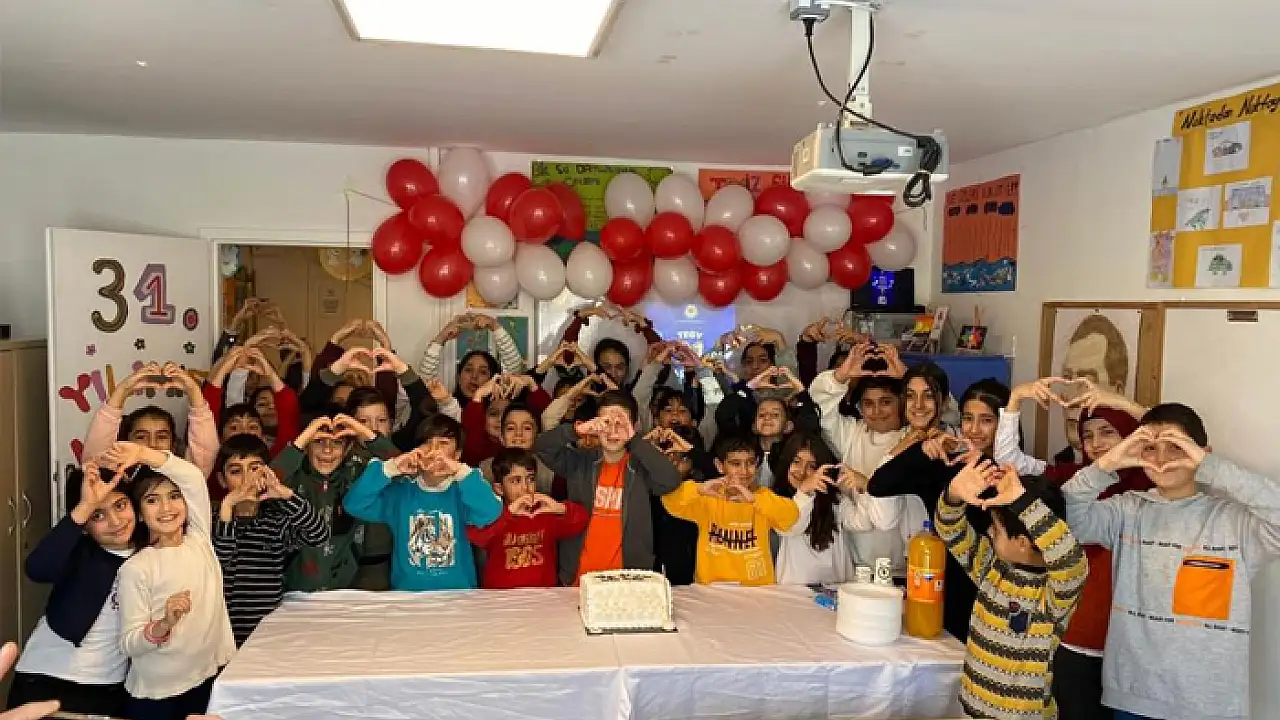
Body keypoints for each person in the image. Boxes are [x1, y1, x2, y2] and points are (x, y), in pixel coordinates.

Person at [1063, 404, 1280, 720]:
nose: (1162, 459)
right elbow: (1067, 518)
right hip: (1134, 694)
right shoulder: (1126, 511)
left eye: (1176, 447)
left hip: (1210, 703)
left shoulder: (1234, 523)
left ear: (1202, 454)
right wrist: (1108, 463)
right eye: (1150, 448)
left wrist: (1211, 467)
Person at [996, 378, 1152, 720]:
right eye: (1088, 435)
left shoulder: (1152, 480)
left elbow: (1174, 442)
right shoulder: (1073, 477)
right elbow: (1010, 463)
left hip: (1135, 642)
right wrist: (1016, 398)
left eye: (1108, 432)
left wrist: (1126, 405)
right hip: (1081, 633)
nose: (1096, 444)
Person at [937, 456, 1087, 720]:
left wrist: (1022, 501)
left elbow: (1070, 559)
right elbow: (951, 530)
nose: (988, 531)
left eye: (996, 529)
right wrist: (953, 495)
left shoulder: (1053, 594)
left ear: (1022, 543)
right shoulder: (992, 568)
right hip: (972, 710)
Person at [863, 370, 1003, 641]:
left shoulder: (1015, 473)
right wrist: (920, 448)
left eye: (986, 420)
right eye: (968, 419)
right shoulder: (945, 463)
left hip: (998, 592)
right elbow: (878, 485)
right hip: (944, 589)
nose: (974, 429)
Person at [111, 442, 235, 720]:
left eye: (175, 496)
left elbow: (192, 477)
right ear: (139, 513)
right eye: (152, 500)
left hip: (207, 679)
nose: (166, 508)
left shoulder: (199, 539)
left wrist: (143, 454)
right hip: (158, 697)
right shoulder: (136, 568)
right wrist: (164, 624)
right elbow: (129, 643)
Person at [6, 464, 135, 715]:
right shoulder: (78, 551)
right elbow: (37, 568)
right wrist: (85, 506)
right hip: (47, 678)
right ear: (85, 525)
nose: (116, 522)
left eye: (120, 505)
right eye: (98, 515)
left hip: (108, 688)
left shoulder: (149, 556)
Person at [534, 390, 682, 585]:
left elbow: (671, 480)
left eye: (620, 424)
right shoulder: (580, 462)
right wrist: (577, 430)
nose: (613, 431)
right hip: (579, 578)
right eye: (606, 423)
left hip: (628, 580)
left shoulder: (641, 467)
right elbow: (542, 448)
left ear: (633, 427)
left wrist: (635, 440)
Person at [344, 415, 503, 591]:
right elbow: (354, 504)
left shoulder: (463, 490)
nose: (434, 450)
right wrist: (391, 468)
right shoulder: (400, 492)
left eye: (443, 443)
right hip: (408, 596)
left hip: (458, 595)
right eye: (427, 442)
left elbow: (490, 512)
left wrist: (461, 471)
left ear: (457, 454)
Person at [212, 434, 328, 646]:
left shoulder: (276, 519)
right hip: (221, 633)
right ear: (222, 479)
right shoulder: (213, 520)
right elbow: (221, 559)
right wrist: (227, 507)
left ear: (267, 473)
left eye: (255, 469)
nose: (247, 479)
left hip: (266, 632)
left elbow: (319, 534)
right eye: (236, 471)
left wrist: (287, 496)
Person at [808, 343, 909, 569]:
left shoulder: (914, 437)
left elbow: (941, 410)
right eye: (868, 404)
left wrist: (907, 377)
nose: (877, 411)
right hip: (854, 564)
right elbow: (820, 405)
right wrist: (841, 376)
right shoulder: (851, 433)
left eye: (886, 402)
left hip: (907, 564)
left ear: (902, 402)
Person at [660, 435, 800, 585]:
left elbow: (791, 517)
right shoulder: (708, 497)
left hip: (756, 589)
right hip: (711, 587)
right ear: (720, 465)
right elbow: (670, 502)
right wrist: (698, 489)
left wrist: (755, 500)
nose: (744, 471)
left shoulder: (762, 498)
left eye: (750, 463)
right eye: (735, 464)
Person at [272, 412, 384, 591]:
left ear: (347, 449)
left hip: (343, 590)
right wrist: (302, 439)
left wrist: (363, 432)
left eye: (337, 443)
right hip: (292, 592)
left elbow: (405, 467)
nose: (327, 450)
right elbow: (262, 483)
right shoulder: (291, 478)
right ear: (306, 445)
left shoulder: (356, 475)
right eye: (318, 441)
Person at [467, 448, 589, 589]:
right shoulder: (493, 513)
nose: (525, 488)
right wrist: (508, 514)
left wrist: (560, 508)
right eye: (515, 481)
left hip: (543, 593)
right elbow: (476, 536)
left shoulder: (545, 512)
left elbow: (582, 520)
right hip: (500, 596)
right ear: (499, 489)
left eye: (530, 479)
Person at [83, 362, 219, 478]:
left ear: (173, 445)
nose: (152, 445)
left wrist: (193, 391)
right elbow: (96, 460)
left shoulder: (186, 477)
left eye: (161, 437)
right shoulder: (115, 479)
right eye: (141, 437)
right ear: (127, 441)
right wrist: (123, 390)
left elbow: (204, 454)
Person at [769, 432, 859, 586]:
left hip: (836, 587)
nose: (802, 471)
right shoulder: (775, 498)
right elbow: (791, 527)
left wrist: (864, 487)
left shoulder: (835, 499)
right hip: (793, 591)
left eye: (811, 466)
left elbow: (863, 523)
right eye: (796, 462)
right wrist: (804, 492)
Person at [418, 312, 526, 407]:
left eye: (483, 372)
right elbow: (425, 382)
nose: (474, 376)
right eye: (468, 370)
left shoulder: (499, 410)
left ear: (493, 379)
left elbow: (514, 368)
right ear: (459, 376)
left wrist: (493, 325)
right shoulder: (447, 407)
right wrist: (442, 337)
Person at [478, 403, 561, 498]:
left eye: (527, 428)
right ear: (501, 436)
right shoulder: (485, 470)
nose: (518, 433)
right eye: (511, 428)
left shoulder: (550, 471)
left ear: (537, 435)